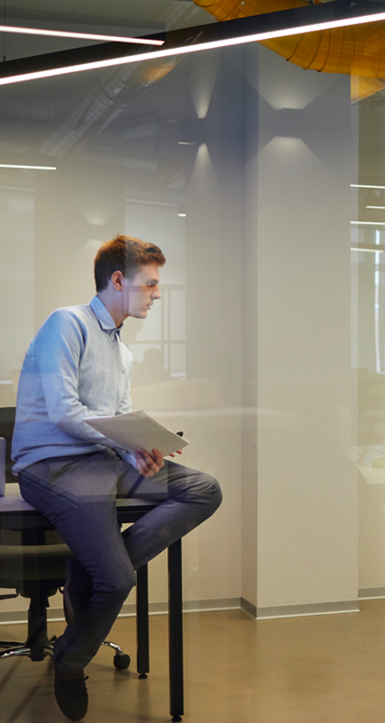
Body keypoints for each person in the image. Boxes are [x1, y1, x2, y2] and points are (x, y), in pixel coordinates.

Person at [11, 235, 223, 722]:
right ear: (119, 281)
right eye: (150, 284)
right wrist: (124, 446)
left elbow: (119, 416)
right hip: (53, 466)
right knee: (119, 578)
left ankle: (90, 569)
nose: (157, 294)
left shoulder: (120, 350)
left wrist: (139, 454)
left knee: (202, 489)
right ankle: (72, 658)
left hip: (101, 462)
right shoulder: (67, 324)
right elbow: (65, 414)